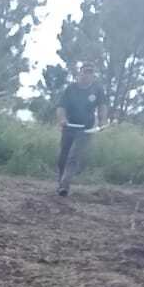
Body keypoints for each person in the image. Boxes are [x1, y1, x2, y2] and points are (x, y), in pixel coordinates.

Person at [56, 64, 108, 196]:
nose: (87, 75)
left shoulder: (97, 89)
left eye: (90, 73)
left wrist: (102, 120)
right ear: (79, 74)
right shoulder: (70, 89)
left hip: (86, 129)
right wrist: (62, 119)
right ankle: (61, 181)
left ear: (93, 76)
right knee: (63, 156)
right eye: (85, 72)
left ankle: (64, 185)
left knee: (74, 156)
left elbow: (102, 106)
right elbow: (61, 107)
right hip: (69, 126)